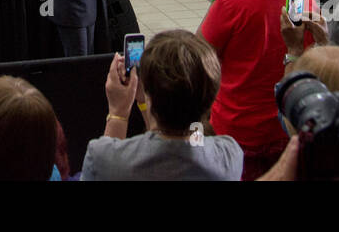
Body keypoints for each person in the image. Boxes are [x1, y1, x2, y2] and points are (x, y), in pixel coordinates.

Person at [200, 0, 314, 180]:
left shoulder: (230, 3)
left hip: (237, 132)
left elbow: (198, 54)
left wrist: (219, 0)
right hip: (288, 127)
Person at [82, 31, 243, 181]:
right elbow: (180, 142)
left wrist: (118, 112)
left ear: (149, 93)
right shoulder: (229, 155)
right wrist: (144, 101)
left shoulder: (101, 158)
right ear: (211, 98)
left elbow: (109, 161)